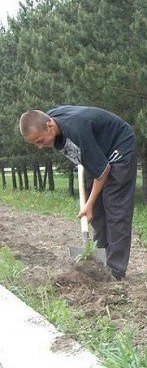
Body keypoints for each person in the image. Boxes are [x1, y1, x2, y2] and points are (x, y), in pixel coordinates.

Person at [19, 106, 137, 281]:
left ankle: (116, 270)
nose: (40, 146)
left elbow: (103, 172)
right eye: (36, 143)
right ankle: (101, 257)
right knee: (97, 210)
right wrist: (92, 204)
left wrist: (87, 204)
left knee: (115, 206)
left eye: (40, 140)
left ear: (50, 127)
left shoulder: (77, 131)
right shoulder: (50, 120)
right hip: (97, 149)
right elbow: (91, 163)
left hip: (119, 144)